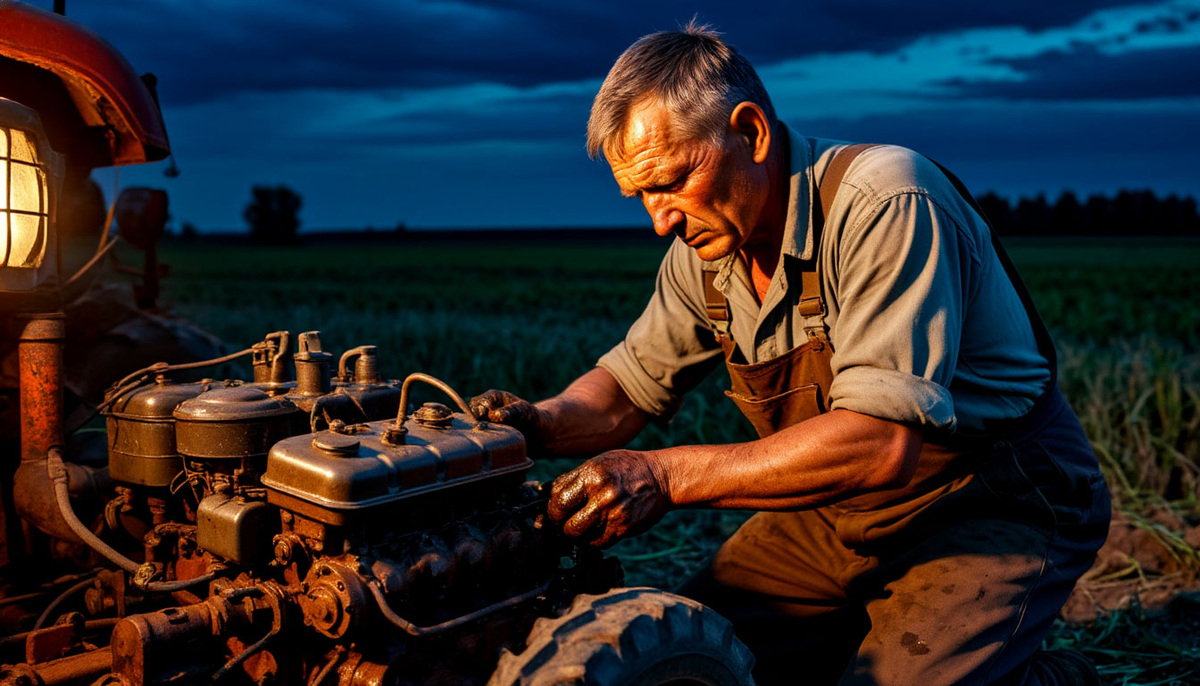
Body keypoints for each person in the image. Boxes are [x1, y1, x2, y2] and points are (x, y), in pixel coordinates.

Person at [470, 24, 1110, 685]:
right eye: (642, 197)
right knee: (690, 653)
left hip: (987, 501)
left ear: (751, 132)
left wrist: (661, 477)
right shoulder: (707, 252)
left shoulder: (886, 199)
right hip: (833, 514)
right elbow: (625, 391)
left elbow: (883, 442)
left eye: (671, 182)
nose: (660, 221)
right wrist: (534, 425)